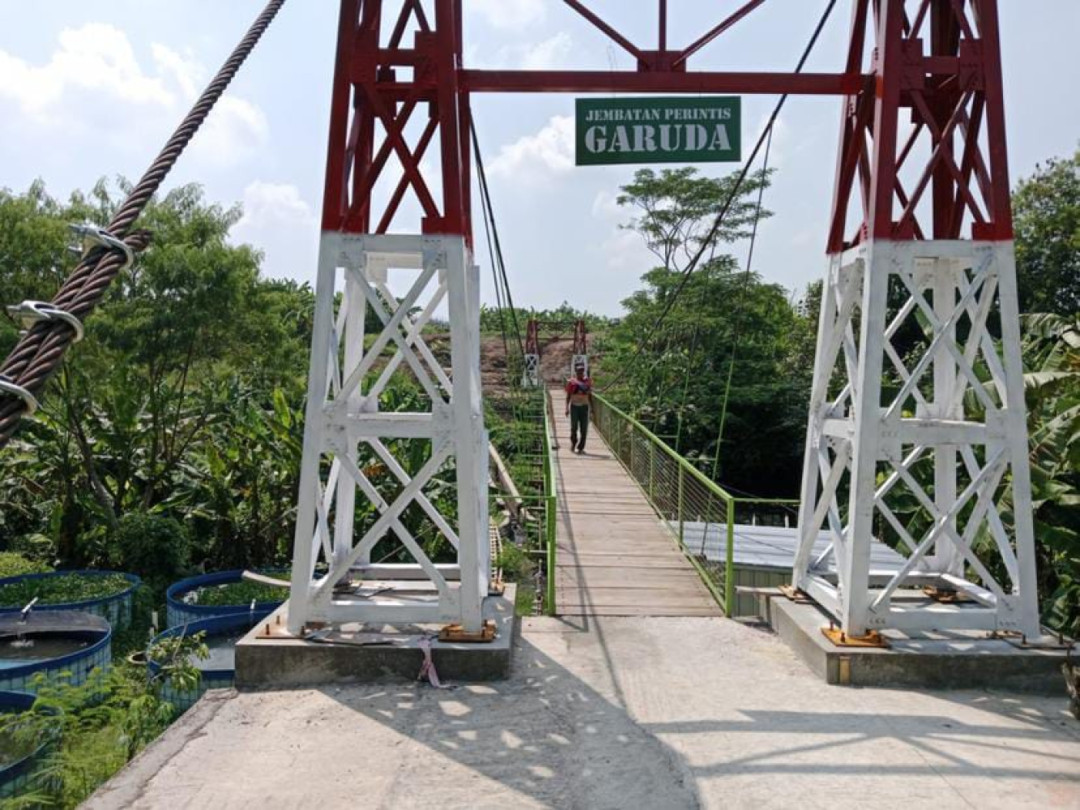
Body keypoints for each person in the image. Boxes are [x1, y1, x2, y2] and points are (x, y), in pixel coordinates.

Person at [565, 362, 594, 454]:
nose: (580, 373)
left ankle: (581, 447)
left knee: (584, 428)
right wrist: (566, 408)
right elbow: (568, 396)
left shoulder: (587, 382)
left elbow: (590, 396)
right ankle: (573, 443)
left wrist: (592, 408)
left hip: (584, 407)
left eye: (582, 371)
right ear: (576, 372)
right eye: (579, 371)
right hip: (574, 407)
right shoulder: (571, 383)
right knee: (574, 427)